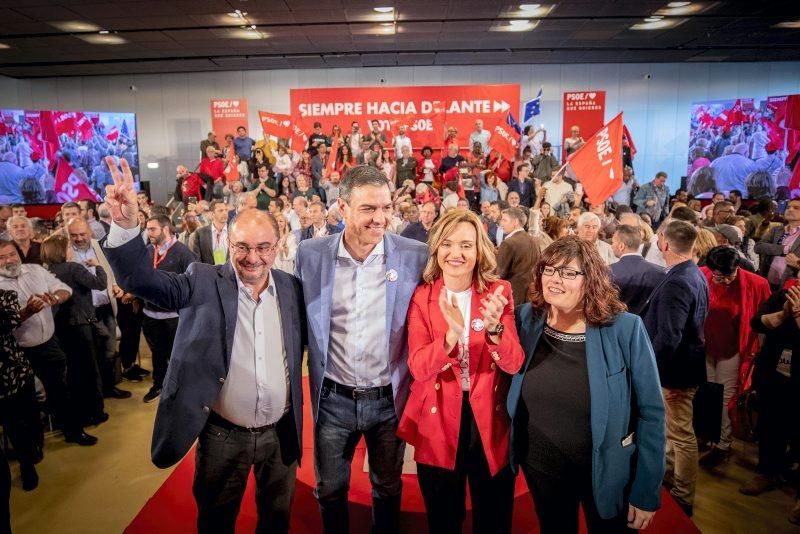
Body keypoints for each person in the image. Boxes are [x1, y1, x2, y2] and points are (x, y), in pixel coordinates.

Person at [101, 156, 306, 533]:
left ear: (278, 246)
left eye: (264, 247)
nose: (253, 258)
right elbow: (142, 280)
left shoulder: (292, 289)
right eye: (243, 247)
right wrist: (126, 225)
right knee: (215, 521)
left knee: (277, 521)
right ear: (228, 242)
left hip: (281, 436)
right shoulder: (201, 279)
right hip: (222, 436)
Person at [295, 165, 428, 534]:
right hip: (333, 398)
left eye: (386, 207)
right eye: (369, 208)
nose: (381, 218)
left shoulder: (415, 254)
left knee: (387, 488)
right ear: (342, 207)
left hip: (389, 400)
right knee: (330, 489)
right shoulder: (310, 253)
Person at [507, 236, 665, 533]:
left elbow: (652, 413)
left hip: (606, 469)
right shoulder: (526, 317)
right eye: (548, 270)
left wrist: (646, 489)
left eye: (568, 273)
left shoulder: (625, 328)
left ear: (589, 279)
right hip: (541, 466)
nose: (554, 279)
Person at [397, 209, 524, 533]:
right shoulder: (423, 297)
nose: (456, 254)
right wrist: (451, 337)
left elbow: (513, 363)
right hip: (438, 423)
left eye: (466, 245)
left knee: (493, 518)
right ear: (436, 249)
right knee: (443, 519)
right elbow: (419, 367)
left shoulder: (500, 292)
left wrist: (496, 329)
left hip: (489, 422)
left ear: (479, 249)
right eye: (448, 244)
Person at [0, 239, 98, 446]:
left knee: (61, 390)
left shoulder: (35, 270)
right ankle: (34, 444)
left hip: (48, 343)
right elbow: (4, 324)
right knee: (26, 402)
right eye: (2, 258)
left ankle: (72, 431)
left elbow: (63, 289)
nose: (9, 260)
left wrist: (54, 298)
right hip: (17, 353)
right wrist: (27, 312)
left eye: (12, 255)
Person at [641, 220, 708, 516]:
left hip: (675, 372)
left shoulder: (679, 280)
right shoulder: (691, 272)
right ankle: (670, 481)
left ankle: (683, 494)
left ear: (665, 243)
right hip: (683, 367)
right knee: (673, 432)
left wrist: (648, 370)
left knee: (680, 434)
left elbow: (669, 336)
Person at [698, 246, 771, 466]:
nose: (725, 281)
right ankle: (708, 435)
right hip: (706, 345)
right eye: (719, 276)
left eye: (729, 275)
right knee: (707, 393)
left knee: (724, 398)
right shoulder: (702, 275)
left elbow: (763, 320)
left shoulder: (756, 283)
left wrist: (759, 351)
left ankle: (723, 444)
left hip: (734, 348)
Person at [739, 279, 800, 525]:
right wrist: (781, 314)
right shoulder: (783, 295)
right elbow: (757, 323)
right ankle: (765, 472)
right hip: (774, 375)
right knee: (769, 425)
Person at [42, 233, 109, 426]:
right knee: (90, 370)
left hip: (60, 327)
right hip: (81, 325)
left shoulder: (47, 271)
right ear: (62, 250)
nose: (72, 249)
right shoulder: (73, 268)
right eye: (69, 246)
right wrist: (98, 266)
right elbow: (100, 284)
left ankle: (80, 411)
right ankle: (96, 413)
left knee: (74, 372)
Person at [67, 218, 131, 400]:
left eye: (82, 234)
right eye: (74, 235)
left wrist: (115, 285)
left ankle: (109, 387)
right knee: (89, 355)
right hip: (84, 312)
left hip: (105, 307)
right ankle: (95, 394)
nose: (79, 238)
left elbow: (109, 270)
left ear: (90, 232)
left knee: (109, 351)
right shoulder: (66, 251)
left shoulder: (98, 245)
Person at [140, 215, 198, 403]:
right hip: (150, 314)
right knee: (157, 353)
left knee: (178, 354)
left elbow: (193, 282)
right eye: (147, 229)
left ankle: (180, 389)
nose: (148, 233)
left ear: (165, 229)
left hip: (175, 316)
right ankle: (159, 385)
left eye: (152, 229)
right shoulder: (148, 251)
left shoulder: (183, 253)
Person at [0, 288, 40, 491]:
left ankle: (27, 466)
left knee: (18, 425)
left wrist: (26, 312)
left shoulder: (5, 295)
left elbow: (8, 322)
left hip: (12, 373)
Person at [610, 224, 666, 315]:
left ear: (621, 246)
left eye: (613, 242)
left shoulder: (608, 271)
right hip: (647, 327)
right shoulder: (661, 273)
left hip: (617, 325)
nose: (611, 246)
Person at [496, 207, 540, 306]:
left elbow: (499, 275)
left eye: (504, 220)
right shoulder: (534, 240)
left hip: (512, 298)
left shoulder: (508, 243)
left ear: (515, 222)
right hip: (531, 297)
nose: (501, 224)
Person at [755, 198, 800, 290]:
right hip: (767, 281)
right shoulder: (777, 230)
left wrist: (798, 263)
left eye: (796, 208)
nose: (790, 210)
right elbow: (758, 247)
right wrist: (783, 249)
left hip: (791, 287)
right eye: (788, 207)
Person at [190, 200, 229, 265]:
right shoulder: (200, 234)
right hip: (208, 273)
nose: (225, 213)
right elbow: (197, 261)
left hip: (230, 273)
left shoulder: (234, 231)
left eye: (226, 210)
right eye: (221, 211)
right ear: (212, 214)